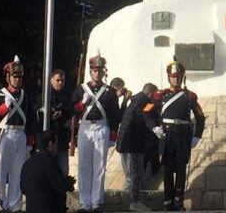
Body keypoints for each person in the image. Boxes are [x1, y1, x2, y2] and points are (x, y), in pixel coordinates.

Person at [144, 60, 205, 211]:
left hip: (183, 136)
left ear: (182, 77)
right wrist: (154, 128)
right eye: (173, 76)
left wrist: (196, 136)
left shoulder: (189, 96)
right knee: (167, 169)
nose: (175, 79)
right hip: (167, 135)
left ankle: (178, 200)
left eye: (178, 76)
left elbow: (200, 117)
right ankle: (167, 200)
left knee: (181, 168)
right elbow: (146, 112)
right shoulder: (160, 95)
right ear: (168, 77)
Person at [70, 52, 120, 213]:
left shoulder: (109, 91)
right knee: (84, 166)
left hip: (101, 127)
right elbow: (71, 110)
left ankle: (96, 202)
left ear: (103, 71)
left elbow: (115, 114)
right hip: (85, 127)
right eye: (94, 70)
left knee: (99, 166)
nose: (97, 73)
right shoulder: (81, 89)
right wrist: (82, 102)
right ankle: (85, 203)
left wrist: (112, 134)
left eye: (100, 70)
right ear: (90, 71)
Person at [0, 55, 36, 212]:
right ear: (8, 77)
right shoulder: (0, 96)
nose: (17, 80)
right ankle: (1, 205)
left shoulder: (25, 96)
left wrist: (29, 141)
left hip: (20, 135)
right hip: (5, 135)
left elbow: (31, 120)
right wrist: (3, 108)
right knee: (1, 173)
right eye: (15, 77)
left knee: (18, 172)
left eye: (20, 77)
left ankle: (15, 206)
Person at [117, 82, 158, 212]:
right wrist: (155, 104)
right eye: (154, 94)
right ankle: (133, 202)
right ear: (150, 93)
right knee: (135, 175)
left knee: (130, 176)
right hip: (133, 145)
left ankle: (125, 202)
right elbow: (146, 116)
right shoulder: (145, 102)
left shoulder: (134, 100)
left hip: (124, 143)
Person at [20, 130, 75, 213]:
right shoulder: (49, 161)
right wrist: (69, 182)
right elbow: (59, 185)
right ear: (50, 144)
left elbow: (23, 188)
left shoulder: (27, 163)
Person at [38, 69, 71, 173]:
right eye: (58, 80)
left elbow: (72, 112)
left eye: (62, 80)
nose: (60, 83)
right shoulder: (44, 97)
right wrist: (50, 116)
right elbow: (37, 116)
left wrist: (66, 117)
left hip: (62, 139)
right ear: (51, 80)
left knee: (63, 172)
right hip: (48, 141)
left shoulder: (67, 96)